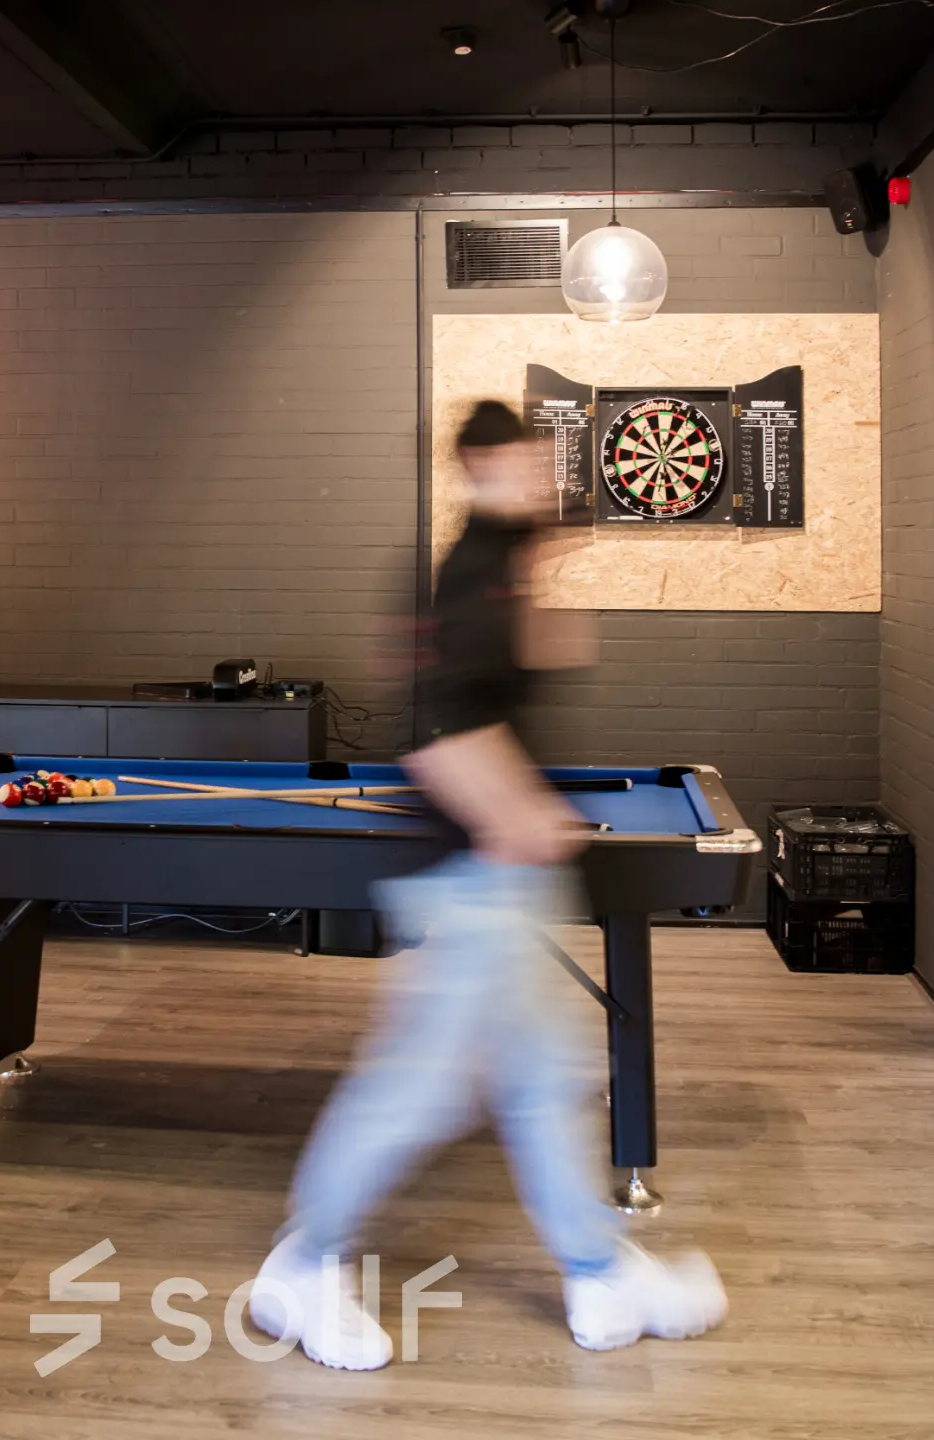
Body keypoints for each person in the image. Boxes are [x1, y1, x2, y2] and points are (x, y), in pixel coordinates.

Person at [248, 399, 727, 1370]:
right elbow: (434, 736)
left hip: (494, 877)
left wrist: (548, 561)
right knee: (416, 1091)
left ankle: (599, 1274)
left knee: (546, 1083)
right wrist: (516, 815)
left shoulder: (500, 567)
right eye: (523, 462)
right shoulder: (466, 573)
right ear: (482, 465)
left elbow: (556, 659)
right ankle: (303, 1266)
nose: (542, 475)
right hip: (469, 875)